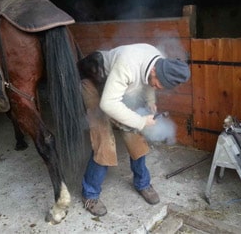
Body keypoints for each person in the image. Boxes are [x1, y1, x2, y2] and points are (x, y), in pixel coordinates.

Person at [77, 43, 190, 216]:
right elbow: (107, 103)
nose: (158, 88)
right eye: (159, 85)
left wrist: (151, 100)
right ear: (154, 71)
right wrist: (139, 120)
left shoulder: (157, 58)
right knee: (104, 140)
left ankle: (142, 183)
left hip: (118, 87)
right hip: (94, 81)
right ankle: (90, 194)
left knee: (136, 137)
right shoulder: (127, 65)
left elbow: (149, 84)